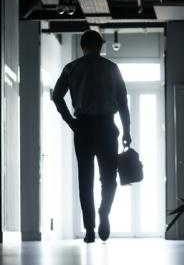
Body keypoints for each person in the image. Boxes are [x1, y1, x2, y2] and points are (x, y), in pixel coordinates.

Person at [52, 30, 131, 243]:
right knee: (109, 178)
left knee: (85, 180)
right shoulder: (112, 68)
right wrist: (127, 131)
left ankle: (89, 229)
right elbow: (123, 102)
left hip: (83, 128)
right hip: (107, 128)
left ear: (82, 46)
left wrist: (71, 122)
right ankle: (104, 212)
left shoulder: (71, 68)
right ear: (100, 46)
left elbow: (56, 96)